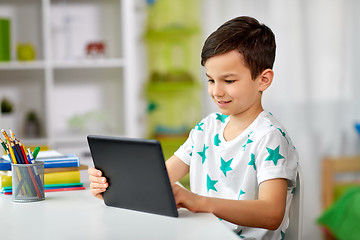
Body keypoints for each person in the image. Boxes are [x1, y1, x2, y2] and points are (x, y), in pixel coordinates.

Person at [88, 16, 298, 239]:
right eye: (210, 80)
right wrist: (114, 187)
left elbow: (272, 213)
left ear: (263, 80)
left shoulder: (269, 137)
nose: (216, 91)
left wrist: (198, 202)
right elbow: (158, 180)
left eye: (228, 81)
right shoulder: (206, 128)